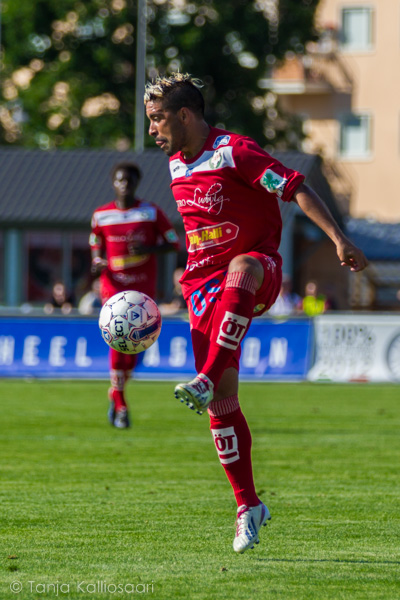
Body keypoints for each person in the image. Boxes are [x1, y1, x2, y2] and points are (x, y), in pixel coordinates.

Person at [144, 73, 368, 554]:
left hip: (256, 271)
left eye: (158, 119)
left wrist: (338, 240)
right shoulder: (176, 166)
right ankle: (248, 506)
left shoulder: (235, 152)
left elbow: (296, 188)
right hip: (203, 291)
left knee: (241, 267)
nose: (152, 130)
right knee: (224, 407)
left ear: (185, 114)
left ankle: (205, 376)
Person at [90, 162, 180, 429]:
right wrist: (97, 262)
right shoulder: (101, 215)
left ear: (136, 183)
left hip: (142, 290)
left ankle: (115, 391)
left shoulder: (151, 212)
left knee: (137, 347)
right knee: (117, 341)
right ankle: (120, 404)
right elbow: (96, 243)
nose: (124, 184)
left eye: (129, 180)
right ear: (113, 183)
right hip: (114, 288)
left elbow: (174, 243)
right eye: (120, 180)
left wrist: (149, 248)